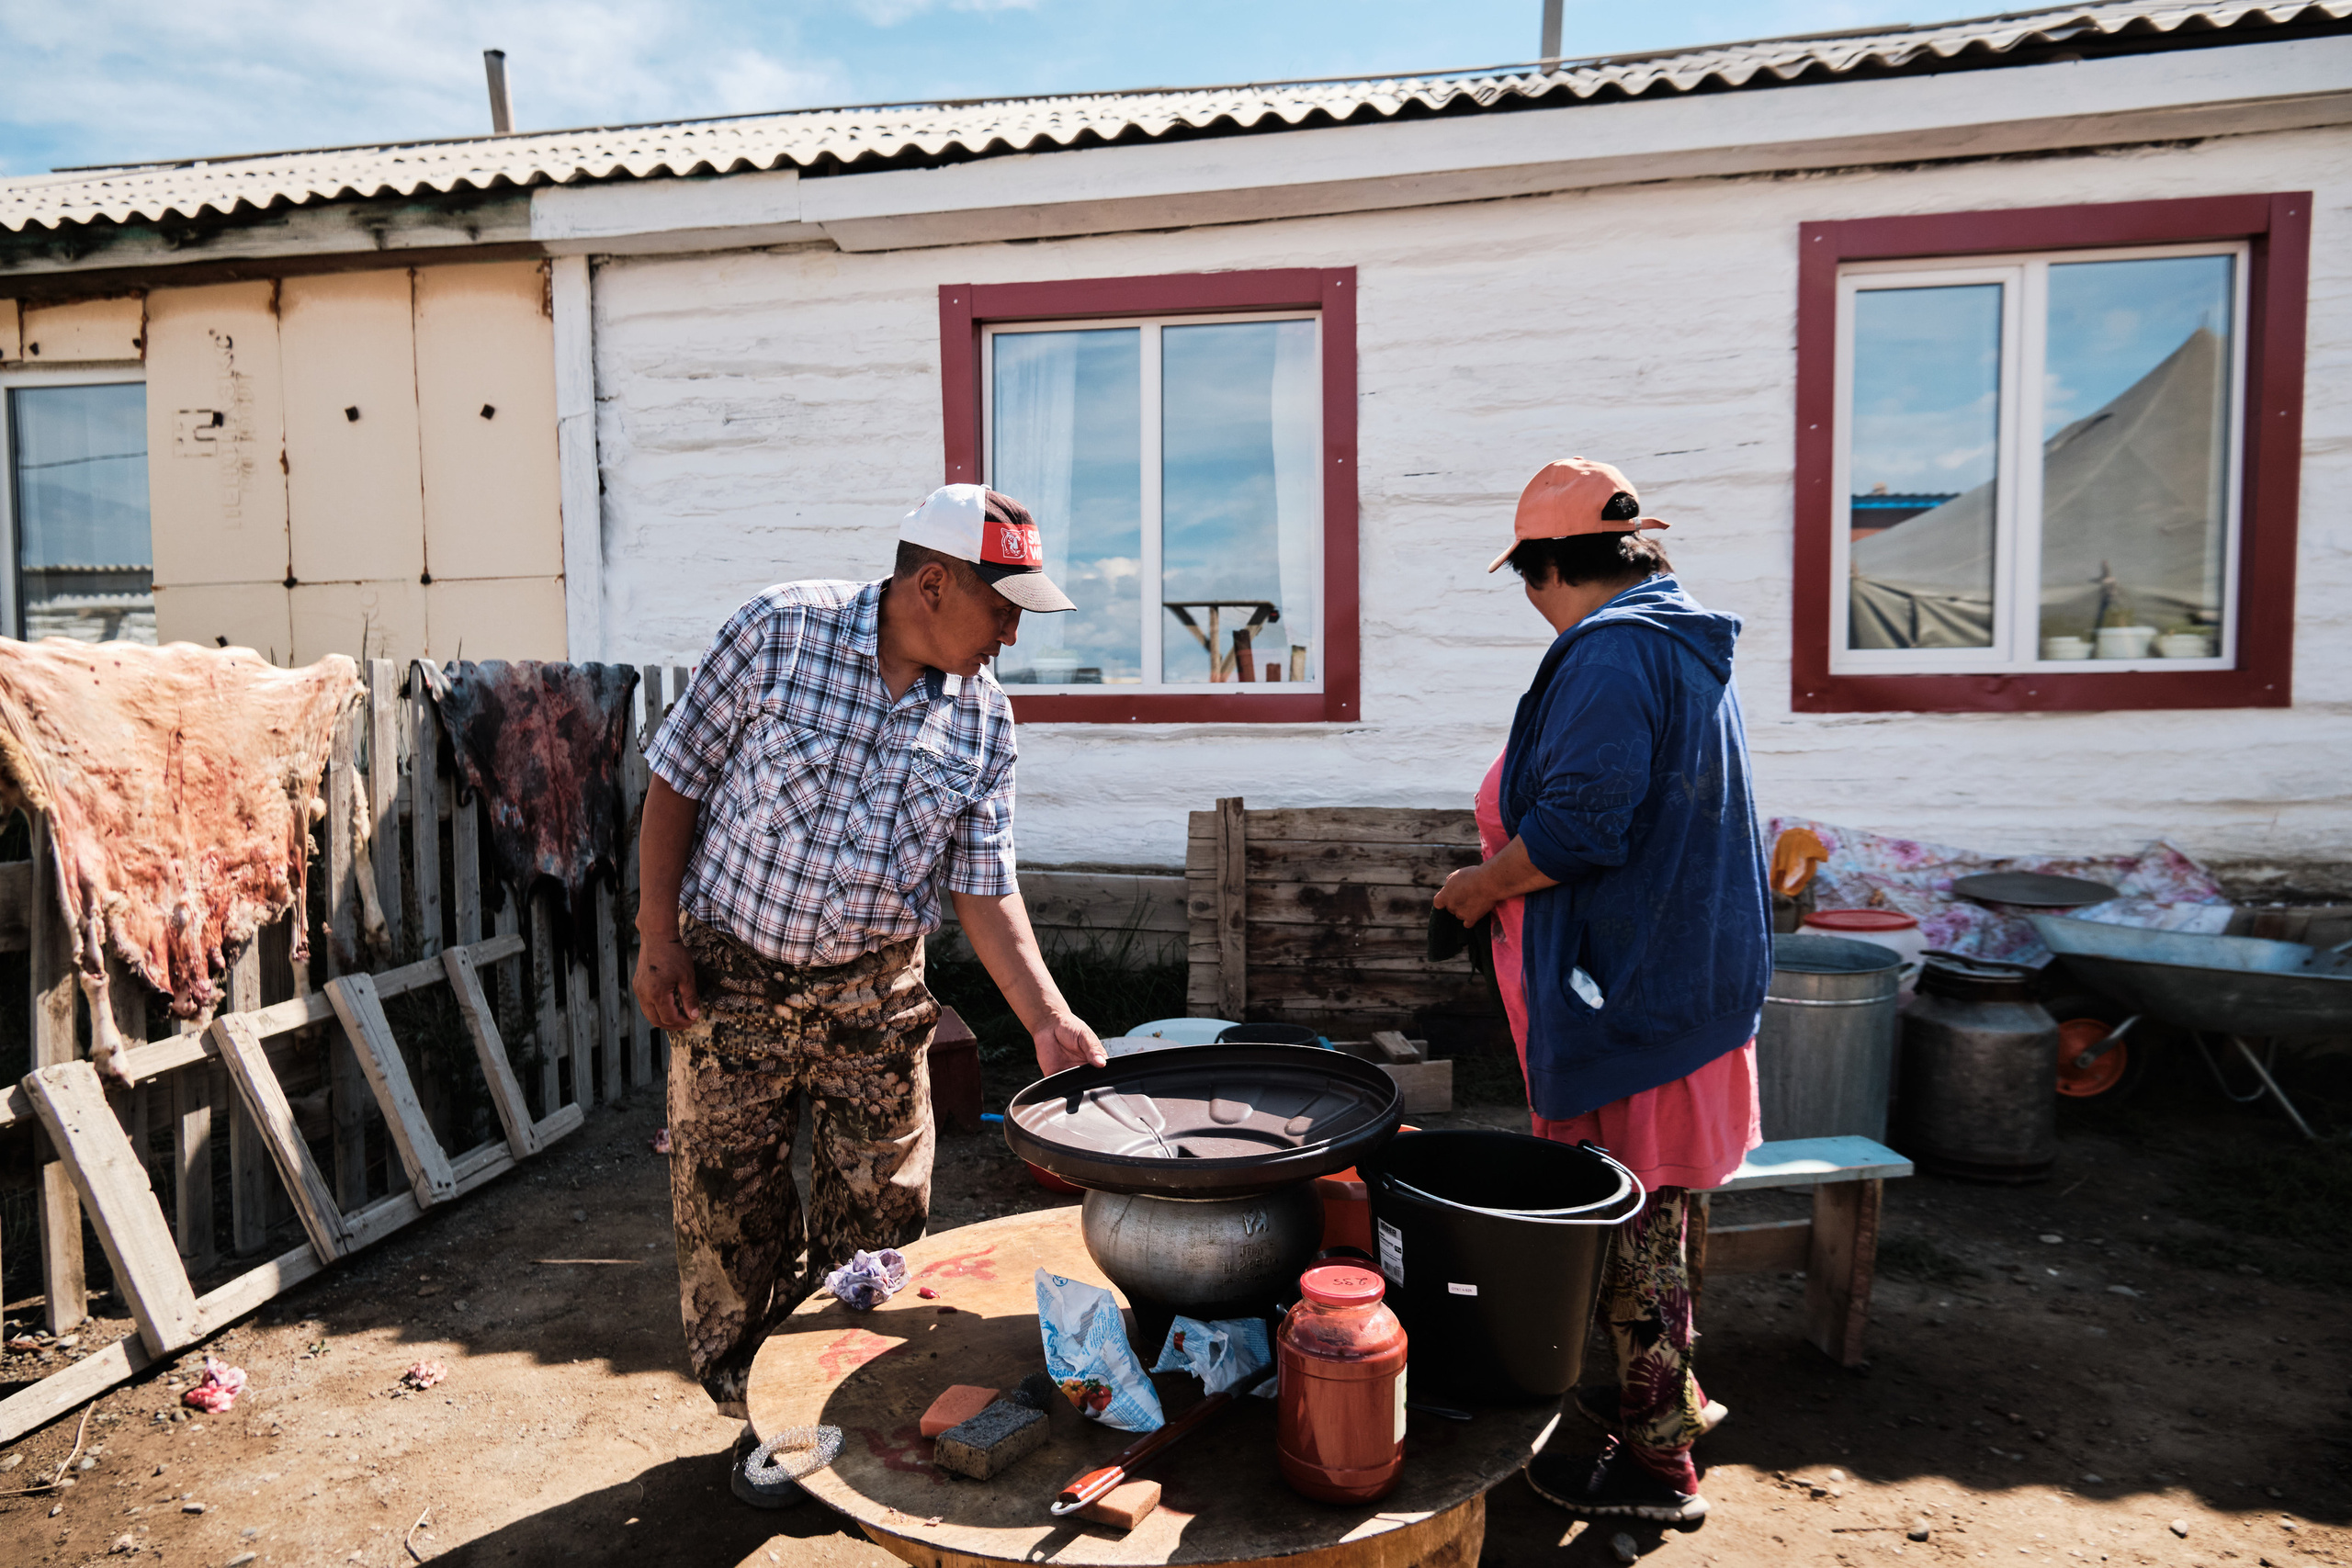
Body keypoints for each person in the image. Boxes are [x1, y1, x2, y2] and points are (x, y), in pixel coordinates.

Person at [634, 483, 1109, 1507]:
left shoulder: (983, 720)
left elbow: (985, 888)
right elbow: (673, 780)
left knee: (879, 1230)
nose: (1013, 633)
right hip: (733, 982)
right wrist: (656, 935)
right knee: (730, 1222)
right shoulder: (776, 634)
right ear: (930, 583)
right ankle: (761, 1432)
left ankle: (841, 1417)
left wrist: (1047, 1018)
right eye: (1004, 606)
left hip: (876, 996)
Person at [1433, 457, 1769, 1527]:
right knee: (1660, 1225)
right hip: (1674, 986)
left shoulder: (1613, 655)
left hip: (1633, 1005)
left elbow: (1581, 828)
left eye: (1528, 581)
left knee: (1634, 1237)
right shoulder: (1672, 645)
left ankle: (1657, 1467)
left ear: (1546, 571)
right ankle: (1663, 1404)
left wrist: (1473, 891)